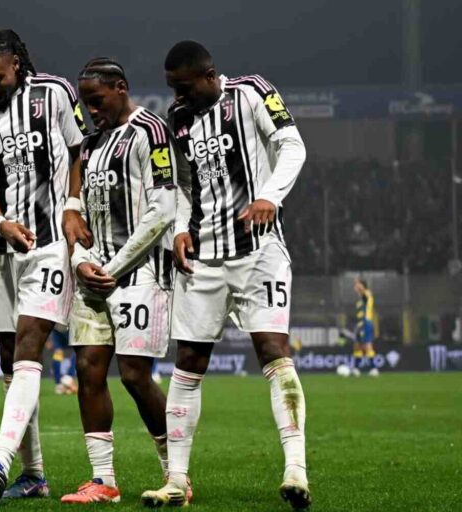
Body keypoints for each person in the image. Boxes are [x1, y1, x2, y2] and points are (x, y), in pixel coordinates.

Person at [141, 41, 310, 510]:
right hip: (203, 260)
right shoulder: (178, 120)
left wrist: (270, 195)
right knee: (187, 364)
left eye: (184, 87)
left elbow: (291, 144)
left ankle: (296, 470)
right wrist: (178, 229)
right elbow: (182, 186)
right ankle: (176, 481)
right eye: (172, 88)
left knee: (273, 352)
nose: (177, 96)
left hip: (259, 253)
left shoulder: (252, 93)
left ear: (210, 75)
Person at [0, 28, 86, 504]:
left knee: (32, 341)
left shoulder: (53, 94)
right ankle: (34, 474)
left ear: (16, 63)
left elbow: (79, 152)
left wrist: (73, 204)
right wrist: (0, 222)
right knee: (12, 359)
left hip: (52, 243)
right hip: (3, 248)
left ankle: (0, 459)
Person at [58, 58, 177, 504]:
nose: (91, 111)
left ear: (121, 88)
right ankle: (103, 480)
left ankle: (175, 473)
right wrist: (82, 261)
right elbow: (78, 216)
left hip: (141, 273)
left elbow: (162, 211)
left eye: (97, 100)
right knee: (88, 368)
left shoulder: (152, 132)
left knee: (133, 375)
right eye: (86, 103)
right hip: (95, 275)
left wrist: (115, 267)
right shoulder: (88, 147)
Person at [352, 278, 378, 377]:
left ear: (363, 286)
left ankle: (373, 368)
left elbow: (366, 295)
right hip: (360, 323)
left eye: (358, 285)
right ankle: (356, 369)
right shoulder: (361, 297)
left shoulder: (366, 294)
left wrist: (360, 288)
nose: (356, 287)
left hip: (366, 322)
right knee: (357, 345)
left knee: (367, 345)